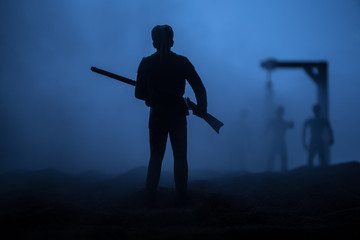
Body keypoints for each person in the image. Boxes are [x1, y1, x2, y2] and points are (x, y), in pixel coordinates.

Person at [135, 25, 207, 204]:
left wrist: (151, 96)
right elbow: (198, 86)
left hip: (159, 114)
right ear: (172, 41)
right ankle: (180, 196)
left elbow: (138, 93)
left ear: (153, 43)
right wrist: (202, 108)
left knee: (157, 157)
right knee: (179, 157)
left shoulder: (146, 63)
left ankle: (151, 195)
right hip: (175, 114)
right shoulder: (181, 62)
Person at [265, 106, 294, 172]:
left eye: (280, 112)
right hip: (277, 141)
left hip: (278, 141)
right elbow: (291, 126)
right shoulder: (282, 122)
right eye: (279, 112)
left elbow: (291, 126)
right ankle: (271, 171)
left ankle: (273, 171)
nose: (280, 113)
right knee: (274, 157)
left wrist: (261, 136)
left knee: (280, 157)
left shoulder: (282, 122)